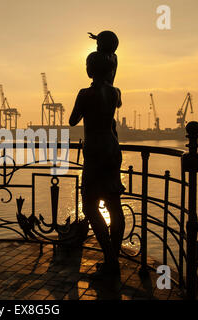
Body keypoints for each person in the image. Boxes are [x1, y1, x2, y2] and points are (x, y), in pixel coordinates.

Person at [69, 50, 125, 277]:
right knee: (114, 203)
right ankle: (114, 258)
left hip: (94, 151)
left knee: (90, 205)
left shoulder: (84, 94)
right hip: (112, 148)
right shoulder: (115, 92)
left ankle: (111, 259)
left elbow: (73, 120)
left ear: (92, 69)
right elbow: (112, 89)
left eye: (87, 64)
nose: (85, 67)